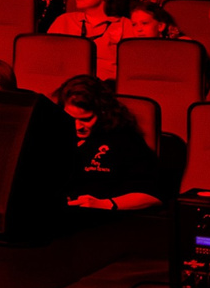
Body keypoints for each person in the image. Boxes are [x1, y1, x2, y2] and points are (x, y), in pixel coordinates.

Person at [55, 75, 167, 211]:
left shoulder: (125, 140)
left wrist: (106, 204)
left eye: (86, 119)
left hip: (102, 215)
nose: (77, 126)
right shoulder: (54, 135)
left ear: (102, 112)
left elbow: (153, 196)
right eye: (71, 118)